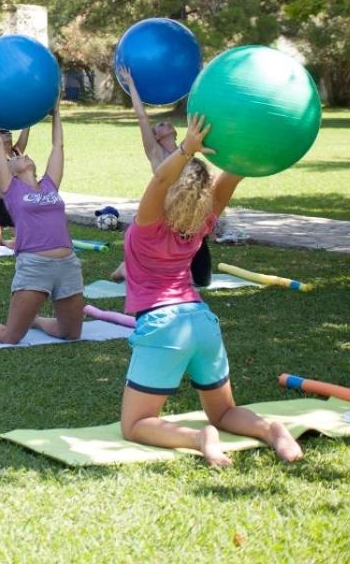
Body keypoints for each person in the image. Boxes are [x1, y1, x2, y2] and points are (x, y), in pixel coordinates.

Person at [118, 113, 302, 467]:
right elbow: (234, 174)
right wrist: (254, 140)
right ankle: (272, 430)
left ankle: (199, 437)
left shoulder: (148, 227)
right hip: (201, 322)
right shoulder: (201, 223)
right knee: (225, 411)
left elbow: (159, 180)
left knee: (135, 424)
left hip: (163, 326)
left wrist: (187, 147)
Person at [0, 86, 83, 343]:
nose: (24, 155)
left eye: (26, 156)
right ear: (10, 168)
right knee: (11, 337)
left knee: (71, 334)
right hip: (35, 265)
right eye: (16, 158)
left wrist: (56, 112)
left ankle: (37, 320)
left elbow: (58, 145)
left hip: (68, 265)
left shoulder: (51, 183)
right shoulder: (11, 189)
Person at [109, 68, 211, 286]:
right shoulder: (155, 153)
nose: (164, 123)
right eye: (159, 125)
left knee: (203, 280)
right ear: (156, 136)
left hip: (191, 216)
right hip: (163, 214)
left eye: (166, 123)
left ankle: (125, 267)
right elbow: (142, 116)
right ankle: (127, 267)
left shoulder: (190, 149)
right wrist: (131, 85)